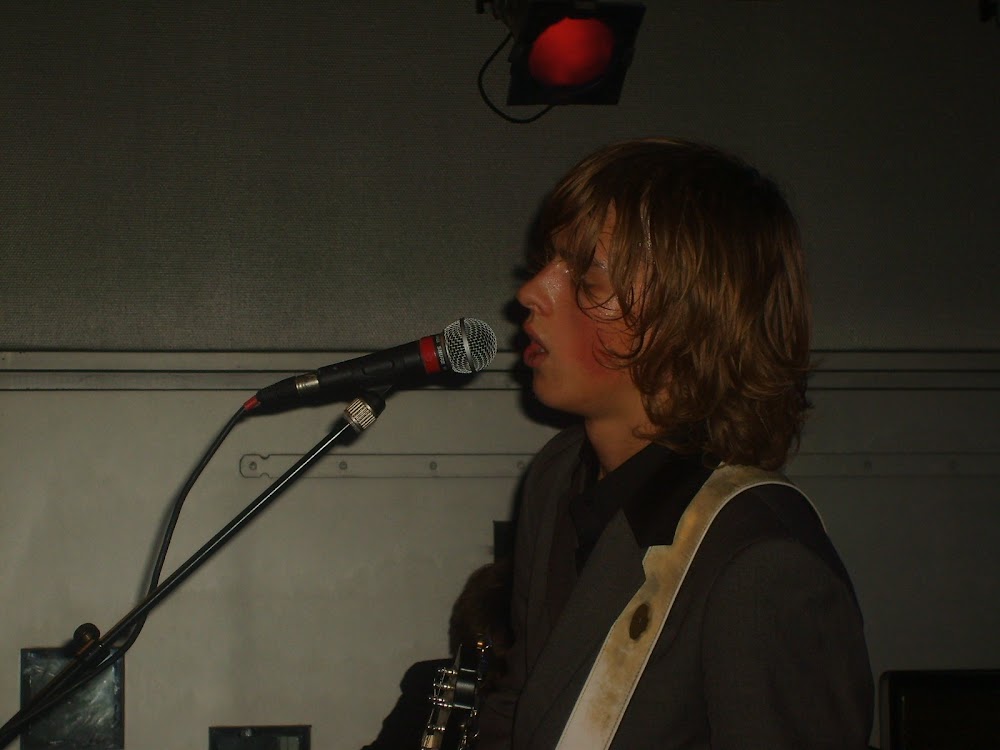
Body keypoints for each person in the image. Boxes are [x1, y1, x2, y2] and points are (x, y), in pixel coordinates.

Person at [474, 138, 874, 749]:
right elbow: (524, 702)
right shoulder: (558, 475)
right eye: (547, 262)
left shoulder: (761, 558)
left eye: (587, 273)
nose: (531, 292)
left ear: (690, 314)